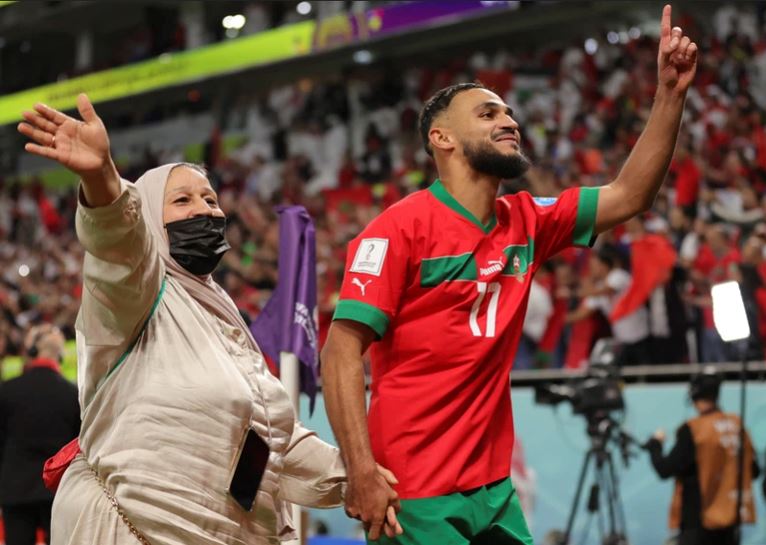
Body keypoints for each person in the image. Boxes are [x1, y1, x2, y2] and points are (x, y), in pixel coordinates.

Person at [321, 5, 697, 544]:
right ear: (442, 138)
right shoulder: (396, 230)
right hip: (414, 490)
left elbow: (629, 195)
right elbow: (340, 351)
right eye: (488, 113)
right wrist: (360, 470)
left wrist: (670, 95)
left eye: (509, 113)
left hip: (494, 489)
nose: (510, 121)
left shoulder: (527, 220)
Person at [17, 95, 401, 544]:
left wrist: (363, 473)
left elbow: (276, 442)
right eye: (182, 200)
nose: (205, 210)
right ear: (149, 218)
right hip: (131, 529)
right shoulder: (135, 297)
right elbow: (119, 245)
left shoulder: (223, 318)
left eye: (211, 200)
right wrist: (102, 178)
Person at [646, 368, 760, 545]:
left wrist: (655, 445)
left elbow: (665, 469)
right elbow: (753, 471)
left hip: (698, 521)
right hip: (730, 520)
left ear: (693, 395)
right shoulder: (737, 424)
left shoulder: (694, 430)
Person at [0, 324, 80, 545]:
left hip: (15, 488)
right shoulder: (72, 395)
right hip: (58, 490)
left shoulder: (7, 390)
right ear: (61, 355)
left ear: (31, 351)